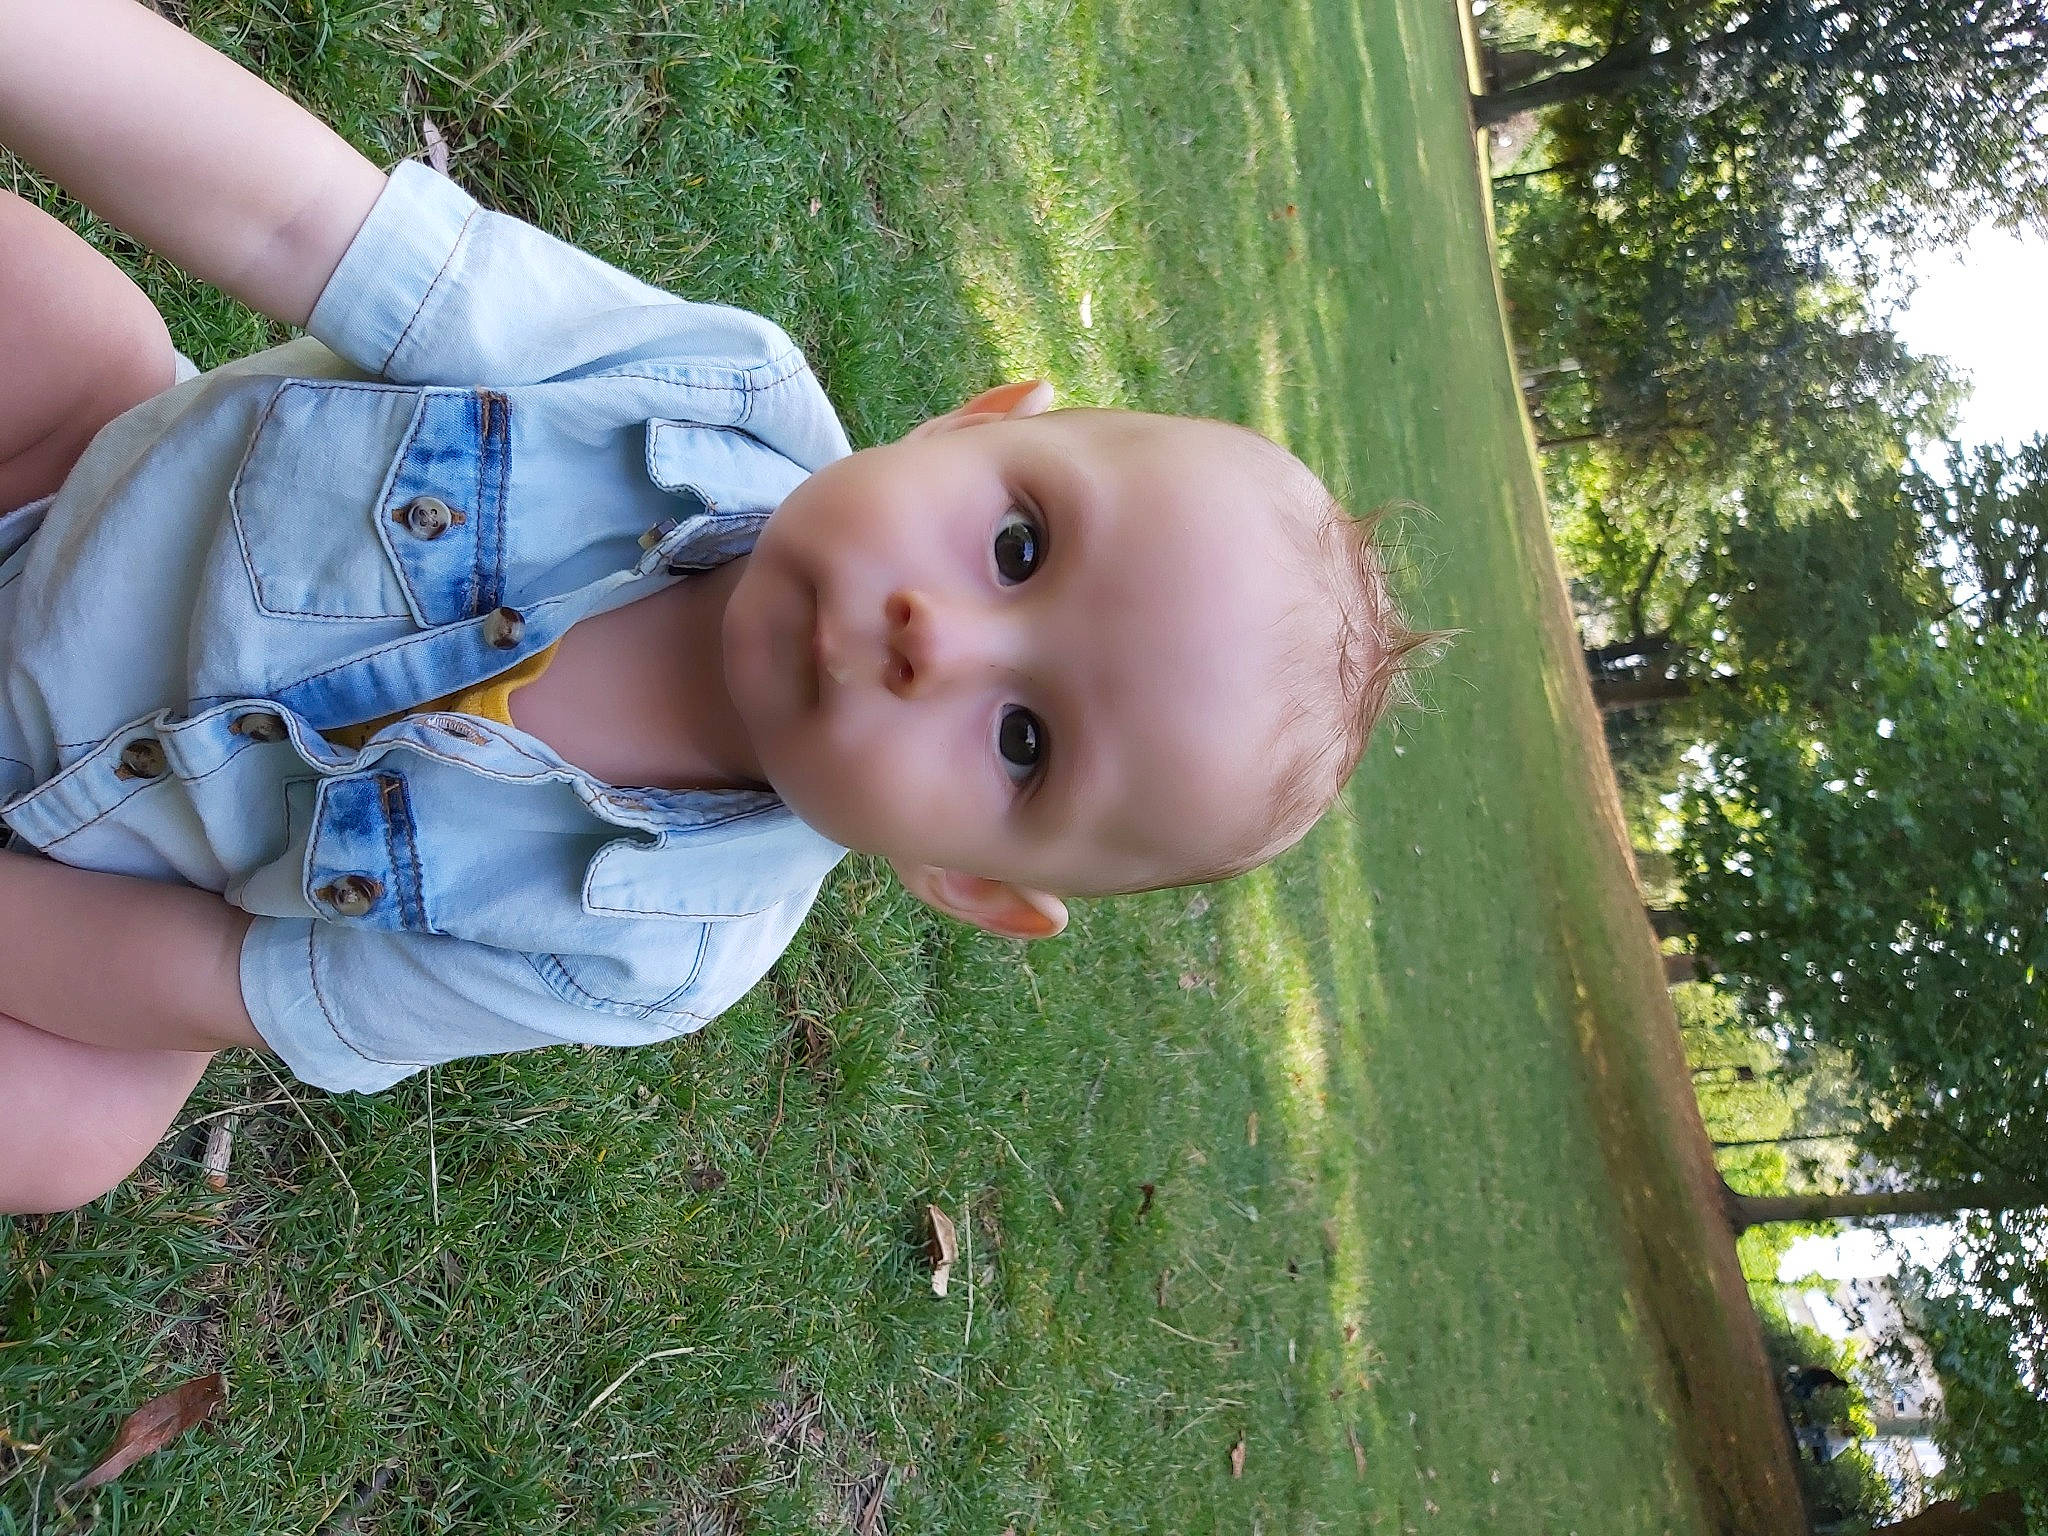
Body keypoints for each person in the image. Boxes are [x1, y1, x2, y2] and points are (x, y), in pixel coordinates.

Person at [0, 0, 1433, 1213]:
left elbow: (240, 976)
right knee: (70, 326)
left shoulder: (655, 955)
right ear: (969, 425)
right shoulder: (698, 388)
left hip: (89, 869)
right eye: (1018, 546)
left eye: (1024, 742)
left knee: (69, 1131)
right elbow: (298, 214)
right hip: (64, 491)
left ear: (963, 879)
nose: (940, 641)